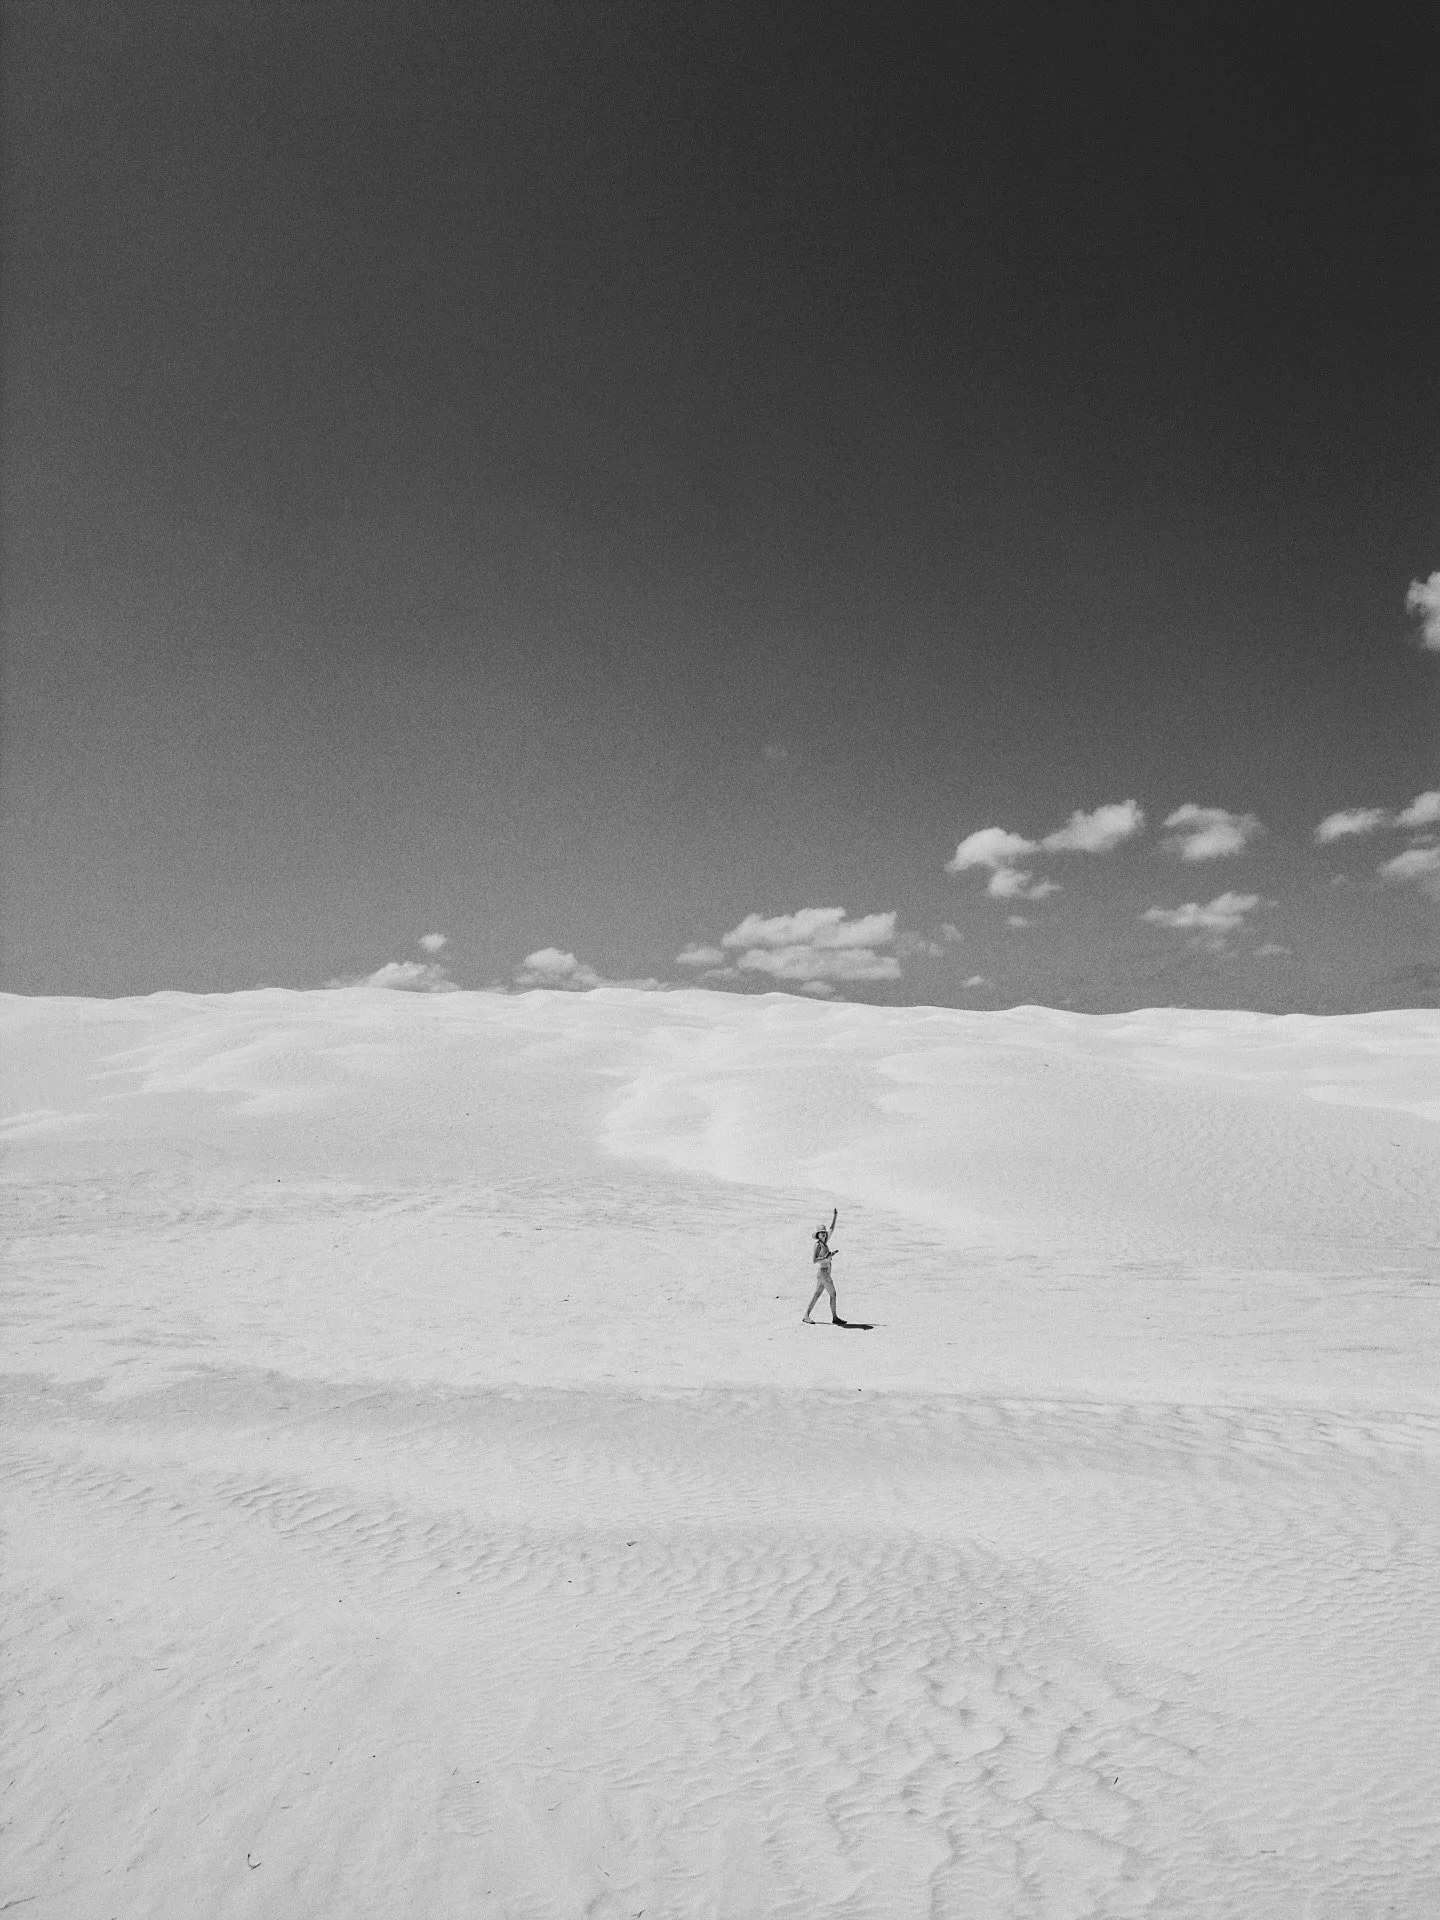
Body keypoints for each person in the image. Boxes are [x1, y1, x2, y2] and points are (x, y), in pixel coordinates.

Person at [803, 1209, 840, 1323]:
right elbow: (814, 1260)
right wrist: (827, 1256)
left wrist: (835, 1217)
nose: (823, 1234)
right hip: (823, 1273)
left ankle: (806, 1315)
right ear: (818, 1235)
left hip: (824, 1273)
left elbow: (831, 1229)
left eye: (824, 1232)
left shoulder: (824, 1242)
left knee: (817, 1294)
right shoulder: (818, 1245)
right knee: (833, 1294)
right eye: (821, 1233)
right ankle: (834, 1318)